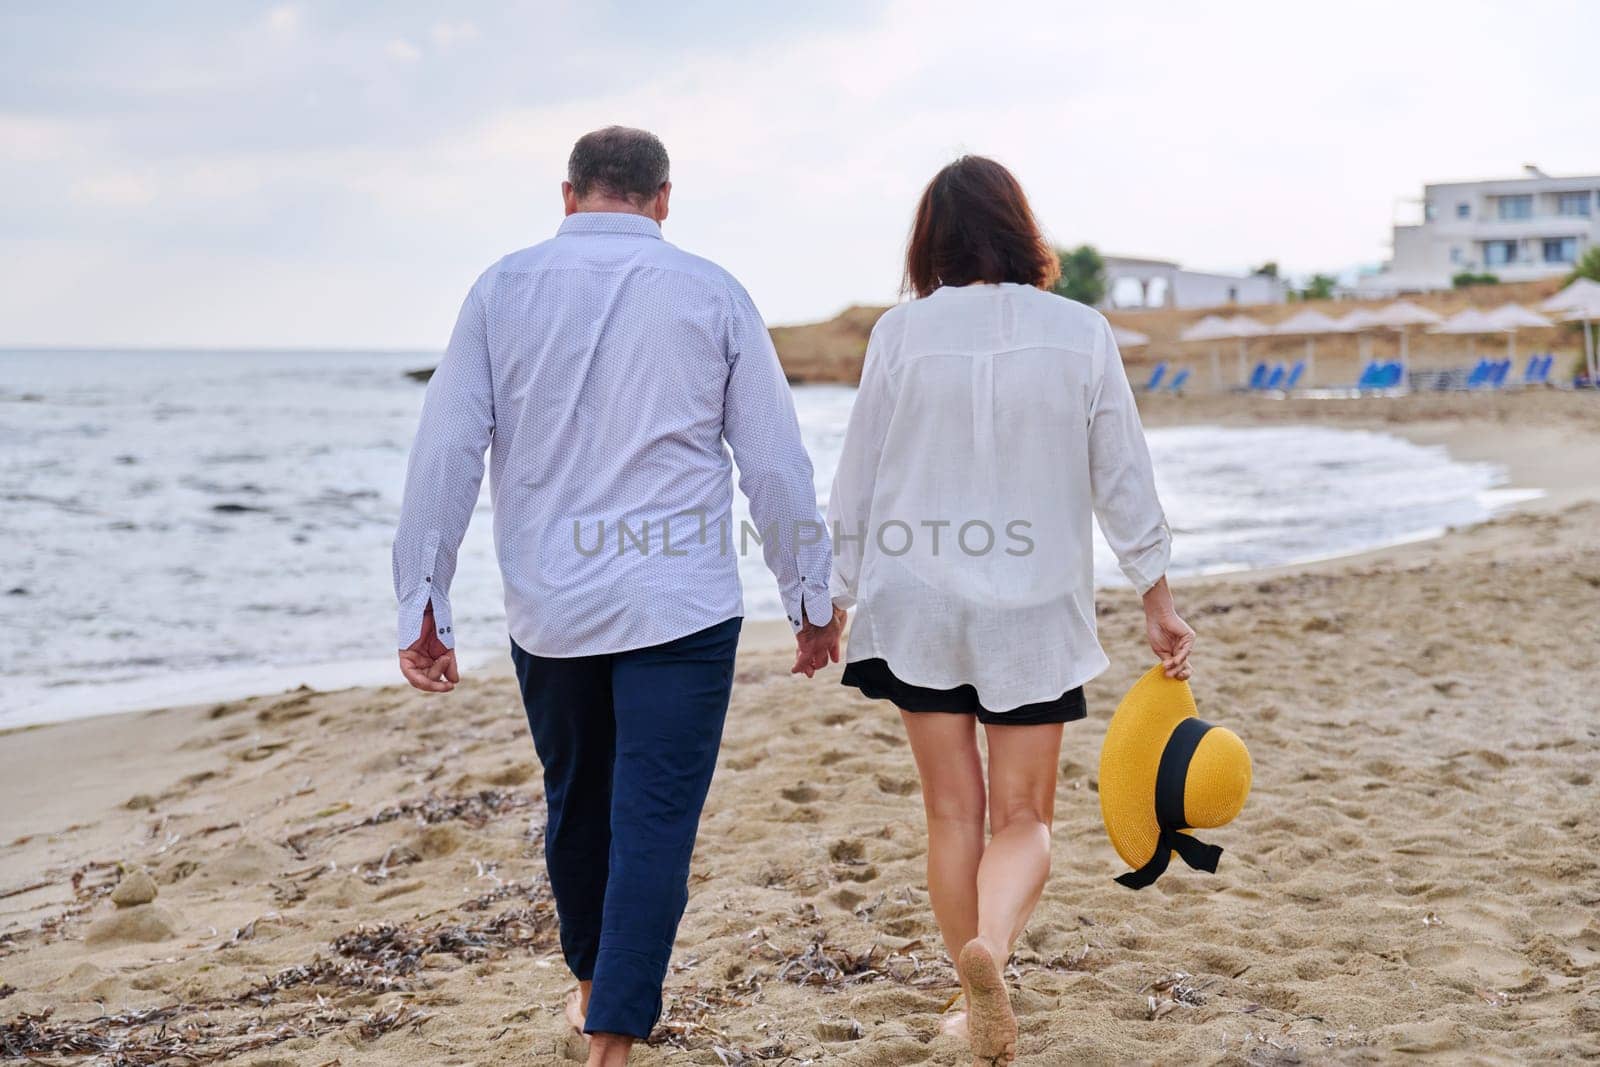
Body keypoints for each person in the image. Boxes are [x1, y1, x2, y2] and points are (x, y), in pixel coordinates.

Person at [392, 126, 842, 1067]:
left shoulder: (499, 289)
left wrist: (422, 601)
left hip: (551, 608)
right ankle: (611, 1027)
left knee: (578, 800)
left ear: (568, 195)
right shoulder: (713, 291)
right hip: (680, 606)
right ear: (663, 199)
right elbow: (774, 463)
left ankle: (599, 995)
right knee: (654, 818)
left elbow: (445, 452)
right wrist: (810, 593)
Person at [827, 156, 1193, 1066]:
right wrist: (1156, 594)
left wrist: (826, 599)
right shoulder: (1079, 331)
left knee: (952, 811)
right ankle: (992, 946)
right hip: (1031, 605)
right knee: (1023, 816)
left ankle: (966, 994)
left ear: (929, 241)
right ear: (1021, 230)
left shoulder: (899, 336)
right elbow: (1122, 472)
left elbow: (857, 479)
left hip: (915, 599)